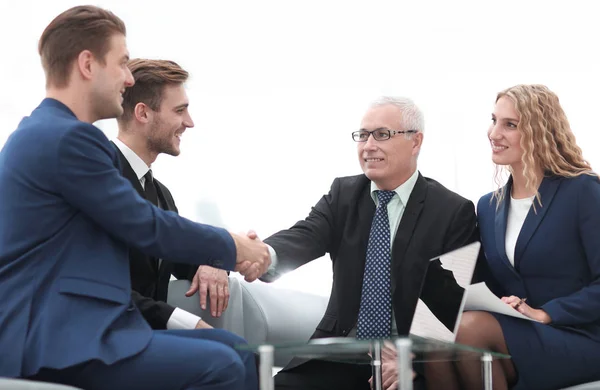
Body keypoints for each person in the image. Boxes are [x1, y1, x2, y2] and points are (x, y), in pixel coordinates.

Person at [0, 6, 268, 390]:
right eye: (122, 63)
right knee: (222, 365)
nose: (128, 79)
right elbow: (144, 224)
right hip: (54, 340)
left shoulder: (42, 133)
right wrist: (234, 244)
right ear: (88, 64)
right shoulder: (68, 139)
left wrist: (214, 259)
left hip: (72, 330)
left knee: (236, 353)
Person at [259, 96, 479, 390]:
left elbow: (445, 305)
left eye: (382, 134)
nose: (368, 145)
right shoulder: (343, 194)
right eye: (362, 135)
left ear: (416, 141)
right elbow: (304, 235)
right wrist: (261, 254)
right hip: (341, 353)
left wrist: (409, 359)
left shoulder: (452, 211)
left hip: (411, 360)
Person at [424, 84, 600, 390]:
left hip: (579, 334)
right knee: (435, 337)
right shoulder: (488, 207)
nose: (493, 133)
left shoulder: (583, 191)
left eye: (510, 125)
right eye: (494, 120)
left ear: (540, 132)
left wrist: (546, 313)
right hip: (518, 331)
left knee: (468, 330)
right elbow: (494, 283)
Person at [114, 58, 229, 330]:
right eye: (180, 111)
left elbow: (185, 255)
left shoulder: (161, 194)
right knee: (231, 351)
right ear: (143, 113)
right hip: (109, 337)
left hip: (145, 337)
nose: (189, 123)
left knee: (239, 351)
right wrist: (189, 323)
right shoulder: (99, 179)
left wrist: (213, 262)